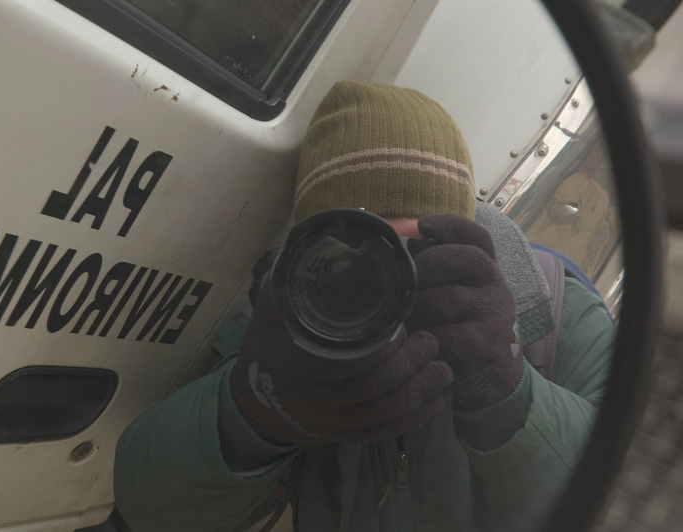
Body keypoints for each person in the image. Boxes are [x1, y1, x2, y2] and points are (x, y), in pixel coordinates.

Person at [112, 81, 616, 532]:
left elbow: (628, 498)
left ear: (465, 233)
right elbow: (149, 510)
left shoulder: (556, 317)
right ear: (309, 249)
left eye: (416, 248)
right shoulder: (288, 330)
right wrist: (255, 410)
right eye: (357, 253)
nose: (387, 276)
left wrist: (509, 396)